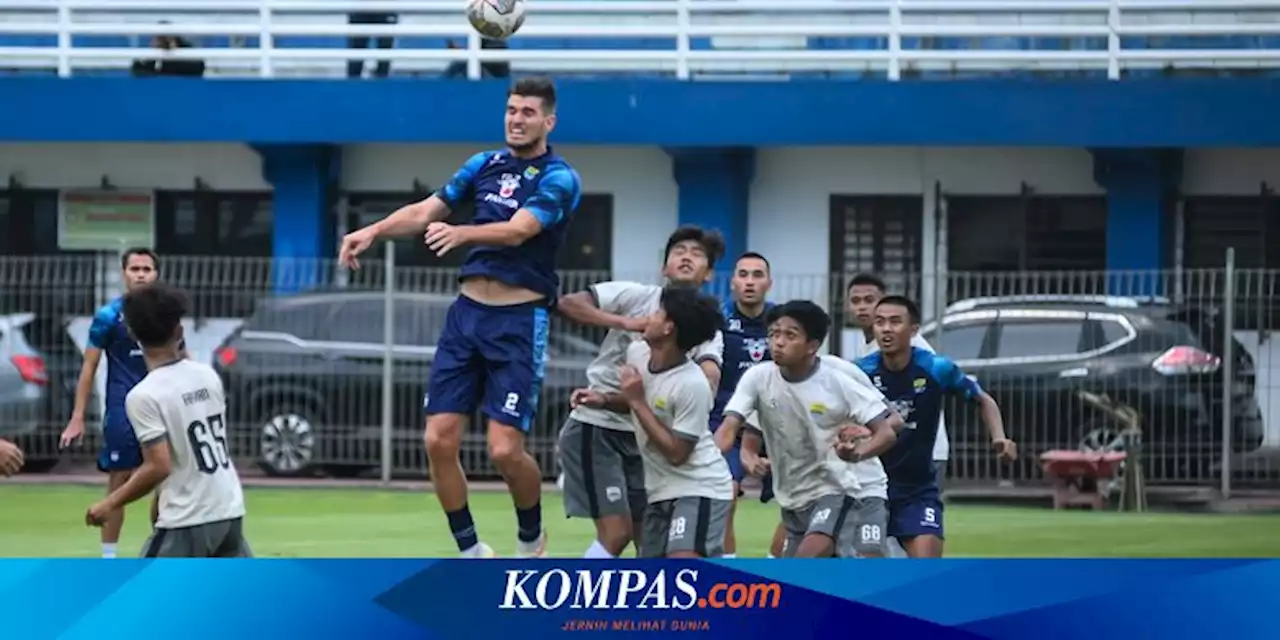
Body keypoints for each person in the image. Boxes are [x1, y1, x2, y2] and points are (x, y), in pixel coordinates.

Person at [339, 77, 580, 558]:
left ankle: (532, 539)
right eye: (512, 109)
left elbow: (518, 231)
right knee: (437, 440)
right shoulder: (483, 164)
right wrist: (374, 230)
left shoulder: (559, 177)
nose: (516, 118)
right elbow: (426, 210)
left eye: (528, 112)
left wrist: (463, 233)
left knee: (504, 451)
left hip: (517, 321)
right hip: (466, 318)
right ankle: (470, 552)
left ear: (548, 121)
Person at [555, 226, 725, 559]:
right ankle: (580, 601)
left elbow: (708, 373)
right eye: (678, 251)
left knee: (648, 543)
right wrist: (625, 324)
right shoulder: (635, 299)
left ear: (708, 273)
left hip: (647, 435)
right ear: (664, 268)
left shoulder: (704, 325)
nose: (686, 256)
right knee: (616, 534)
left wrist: (695, 391)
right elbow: (568, 304)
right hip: (599, 425)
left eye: (696, 253)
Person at [716, 300, 904, 558]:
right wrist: (737, 459)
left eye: (789, 335)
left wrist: (858, 450)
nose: (778, 342)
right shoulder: (759, 379)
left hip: (843, 487)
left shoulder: (840, 377)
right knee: (812, 574)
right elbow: (733, 427)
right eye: (774, 334)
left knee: (851, 558)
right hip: (794, 495)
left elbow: (888, 427)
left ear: (812, 346)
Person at [85, 284, 250, 558]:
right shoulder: (206, 375)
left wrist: (109, 503)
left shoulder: (144, 395)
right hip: (229, 510)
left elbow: (158, 466)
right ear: (180, 332)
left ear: (132, 334)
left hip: (188, 519)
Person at [858, 295, 1016, 558]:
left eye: (895, 322)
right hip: (870, 488)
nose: (886, 329)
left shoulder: (935, 368)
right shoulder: (861, 371)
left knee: (926, 568)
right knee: (869, 573)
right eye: (880, 322)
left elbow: (982, 399)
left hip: (918, 490)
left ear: (913, 330)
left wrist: (999, 437)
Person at [60, 248, 170, 559]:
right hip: (124, 409)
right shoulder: (108, 316)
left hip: (162, 406)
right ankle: (109, 560)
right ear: (124, 274)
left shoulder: (165, 315)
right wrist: (78, 415)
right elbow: (89, 366)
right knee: (119, 480)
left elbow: (182, 358)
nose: (140, 274)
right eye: (134, 268)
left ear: (156, 274)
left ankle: (160, 553)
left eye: (147, 268)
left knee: (166, 480)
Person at [843, 273, 951, 489]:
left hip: (922, 452)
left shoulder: (909, 347)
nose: (862, 307)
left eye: (869, 300)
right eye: (856, 301)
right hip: (887, 449)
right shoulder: (869, 352)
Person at [710, 251, 779, 558]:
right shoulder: (716, 321)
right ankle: (729, 569)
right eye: (743, 274)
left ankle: (778, 567)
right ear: (733, 282)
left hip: (778, 422)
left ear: (769, 283)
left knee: (805, 500)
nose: (750, 281)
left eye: (757, 275)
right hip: (727, 422)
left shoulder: (784, 321)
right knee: (724, 495)